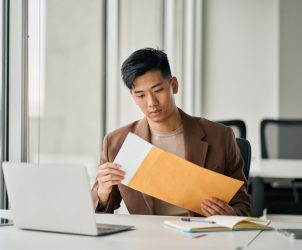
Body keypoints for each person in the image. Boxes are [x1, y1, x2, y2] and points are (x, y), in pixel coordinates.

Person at [91, 48, 250, 217]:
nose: (151, 102)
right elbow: (100, 211)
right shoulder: (116, 142)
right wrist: (102, 193)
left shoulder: (220, 136)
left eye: (158, 90)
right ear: (132, 96)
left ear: (174, 85)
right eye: (140, 95)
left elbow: (243, 204)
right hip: (147, 239)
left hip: (203, 236)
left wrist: (230, 213)